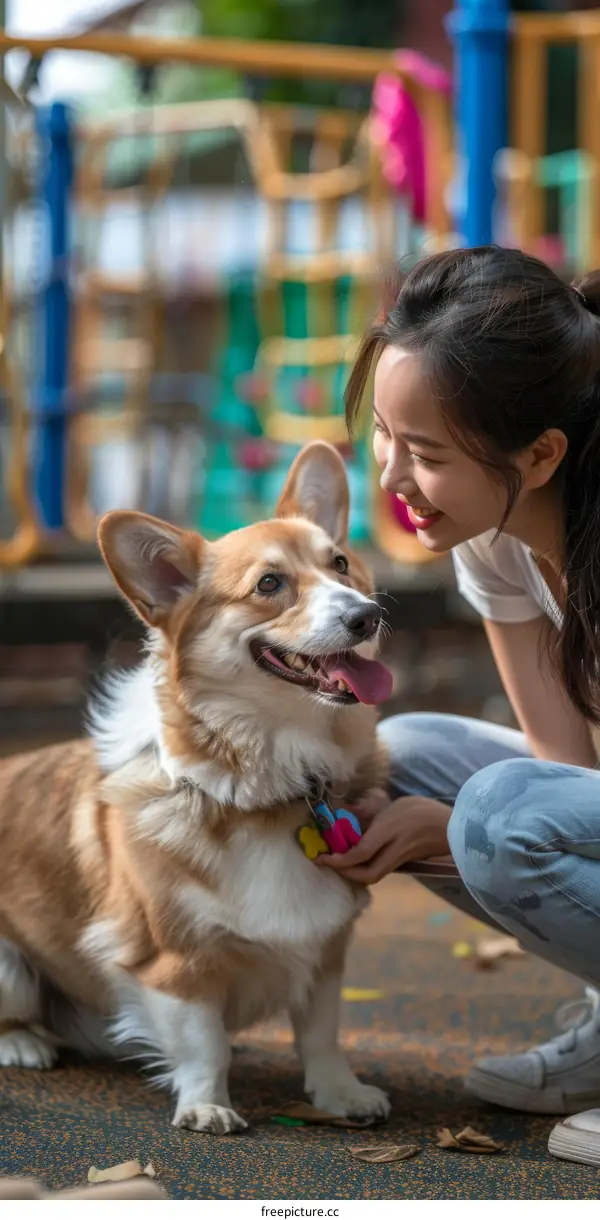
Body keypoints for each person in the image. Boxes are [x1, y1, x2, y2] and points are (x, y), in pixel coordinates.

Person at [317, 245, 600, 1168]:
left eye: (427, 452)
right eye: (388, 437)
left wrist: (460, 831)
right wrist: (452, 824)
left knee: (492, 813)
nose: (392, 478)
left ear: (543, 453)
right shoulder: (498, 537)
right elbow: (569, 769)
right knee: (399, 756)